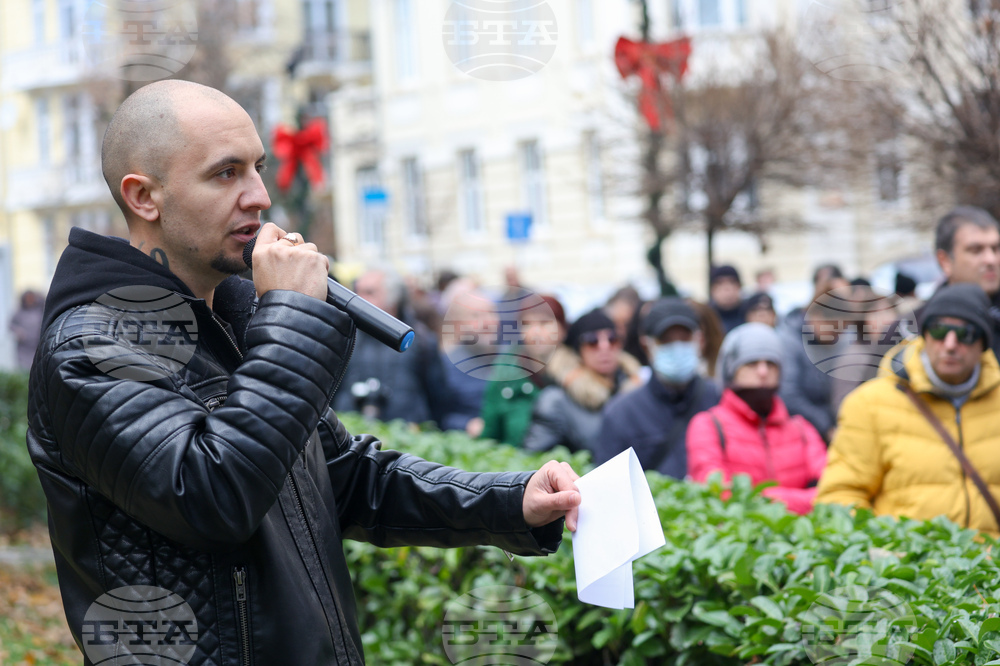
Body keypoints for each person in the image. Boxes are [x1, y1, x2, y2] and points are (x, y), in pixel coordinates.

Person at [25, 80, 581, 665]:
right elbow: (214, 495)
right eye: (226, 173)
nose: (260, 196)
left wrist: (510, 500)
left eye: (259, 168)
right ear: (144, 197)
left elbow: (346, 481)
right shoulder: (92, 344)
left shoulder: (236, 319)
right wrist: (292, 319)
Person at [816, 284, 1000, 534]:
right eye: (939, 330)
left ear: (984, 343)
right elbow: (838, 497)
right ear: (923, 335)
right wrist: (889, 552)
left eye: (965, 333)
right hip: (909, 568)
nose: (950, 344)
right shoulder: (870, 405)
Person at [686, 323, 828, 515]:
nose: (763, 372)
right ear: (730, 370)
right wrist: (800, 500)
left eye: (771, 364)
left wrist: (764, 498)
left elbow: (834, 490)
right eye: (751, 363)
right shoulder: (708, 425)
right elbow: (719, 494)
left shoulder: (801, 428)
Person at [594, 298, 721, 478]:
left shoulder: (719, 399)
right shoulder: (622, 414)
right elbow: (609, 485)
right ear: (647, 346)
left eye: (685, 339)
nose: (677, 348)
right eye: (666, 341)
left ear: (699, 341)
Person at [331, 266, 449, 425]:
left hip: (407, 438)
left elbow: (438, 397)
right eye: (356, 291)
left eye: (370, 292)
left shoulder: (421, 339)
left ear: (393, 298)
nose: (359, 299)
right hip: (349, 435)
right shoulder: (340, 337)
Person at [523, 308, 643, 455]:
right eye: (592, 341)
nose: (604, 346)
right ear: (578, 350)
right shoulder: (556, 401)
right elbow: (535, 460)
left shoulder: (637, 390)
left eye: (612, 339)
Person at [479, 295, 567, 446]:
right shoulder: (505, 374)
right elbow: (490, 434)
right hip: (517, 464)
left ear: (562, 329)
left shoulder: (580, 371)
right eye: (526, 324)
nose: (535, 332)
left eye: (544, 323)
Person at [919, 206, 1000, 360]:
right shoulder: (913, 327)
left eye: (996, 249)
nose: (991, 260)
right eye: (976, 250)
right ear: (945, 261)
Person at [9, 289, 44, 370]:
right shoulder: (19, 312)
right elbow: (11, 325)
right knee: (25, 367)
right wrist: (18, 331)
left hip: (37, 344)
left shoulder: (39, 310)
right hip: (24, 347)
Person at [709, 265, 747, 334]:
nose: (727, 289)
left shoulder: (750, 313)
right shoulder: (706, 317)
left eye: (732, 283)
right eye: (720, 284)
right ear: (712, 290)